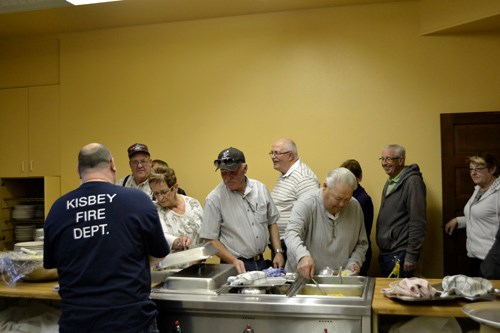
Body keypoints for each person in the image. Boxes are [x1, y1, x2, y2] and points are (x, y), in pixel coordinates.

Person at [43, 143, 169, 333]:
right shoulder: (138, 201)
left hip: (77, 323)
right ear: (113, 165)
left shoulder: (58, 209)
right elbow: (159, 254)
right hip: (130, 322)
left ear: (78, 170)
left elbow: (53, 263)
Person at [200, 147, 284, 273]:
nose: (227, 178)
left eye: (232, 172)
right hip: (234, 265)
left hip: (261, 263)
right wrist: (233, 260)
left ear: (244, 168)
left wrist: (277, 251)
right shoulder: (214, 199)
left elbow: (272, 222)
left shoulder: (260, 189)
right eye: (223, 173)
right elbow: (210, 239)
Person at [285, 167, 368, 279]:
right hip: (304, 279)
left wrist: (354, 262)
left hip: (340, 280)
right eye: (338, 198)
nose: (342, 204)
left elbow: (362, 243)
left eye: (347, 199)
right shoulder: (306, 203)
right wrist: (302, 256)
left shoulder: (355, 207)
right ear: (325, 187)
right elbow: (291, 234)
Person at [444, 152, 500, 277]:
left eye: (479, 169)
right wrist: (459, 220)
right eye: (471, 169)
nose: (473, 173)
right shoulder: (478, 189)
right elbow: (482, 215)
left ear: (492, 169)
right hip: (474, 255)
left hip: (492, 259)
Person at [376, 144, 427, 278]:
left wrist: (411, 256)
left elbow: (418, 221)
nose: (384, 163)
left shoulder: (412, 182)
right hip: (388, 254)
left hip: (402, 254)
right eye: (382, 159)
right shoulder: (391, 181)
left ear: (401, 160)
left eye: (388, 159)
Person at [270, 138, 319, 263]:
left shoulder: (304, 178)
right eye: (272, 153)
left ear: (290, 156)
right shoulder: (285, 174)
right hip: (281, 247)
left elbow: (311, 216)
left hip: (293, 247)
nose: (273, 157)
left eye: (277, 153)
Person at [149, 165, 202, 252]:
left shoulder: (193, 204)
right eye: (156, 193)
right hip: (169, 264)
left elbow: (203, 236)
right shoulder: (154, 209)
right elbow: (161, 236)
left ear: (175, 187)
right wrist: (177, 241)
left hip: (197, 262)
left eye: (164, 192)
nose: (160, 198)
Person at [341, 159, 374, 276]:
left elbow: (362, 233)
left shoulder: (362, 200)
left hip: (358, 253)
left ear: (358, 178)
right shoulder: (347, 196)